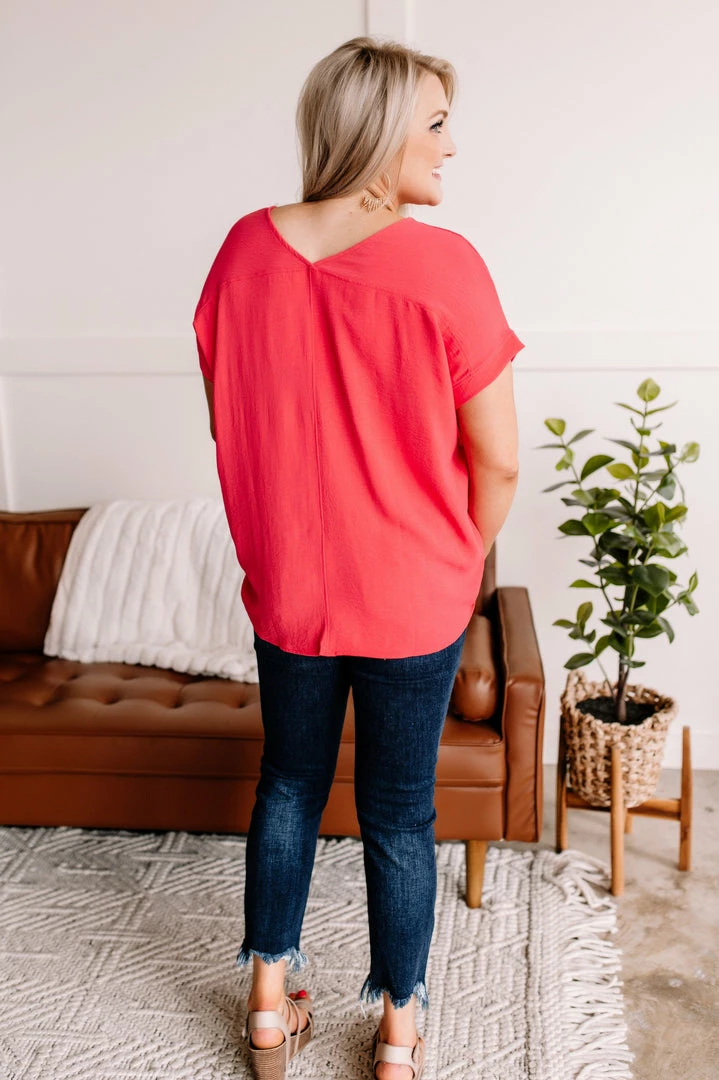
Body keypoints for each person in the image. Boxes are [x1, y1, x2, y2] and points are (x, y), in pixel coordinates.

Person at [193, 35, 523, 1080]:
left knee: (286, 783)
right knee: (398, 812)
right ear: (378, 134)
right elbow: (500, 462)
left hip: (288, 586)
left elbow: (227, 422)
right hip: (412, 597)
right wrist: (455, 560)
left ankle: (263, 1000)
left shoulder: (243, 252)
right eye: (432, 125)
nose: (450, 146)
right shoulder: (446, 265)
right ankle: (396, 1030)